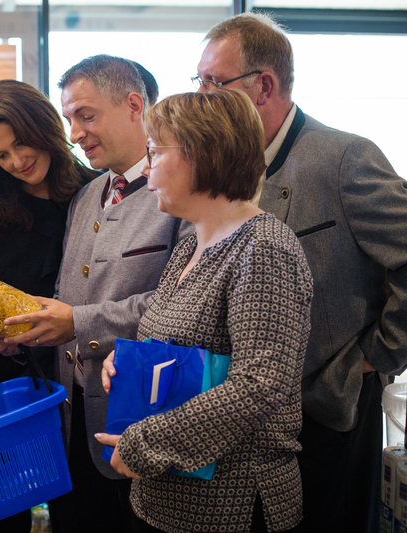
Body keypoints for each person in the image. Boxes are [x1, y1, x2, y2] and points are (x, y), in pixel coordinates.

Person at [195, 13, 407, 532]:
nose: (202, 96)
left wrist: (376, 356)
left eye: (212, 83)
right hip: (247, 421)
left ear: (263, 85)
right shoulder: (228, 163)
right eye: (197, 82)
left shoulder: (343, 158)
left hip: (325, 410)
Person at [0, 55, 189, 533]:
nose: (74, 133)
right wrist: (33, 332)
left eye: (86, 115)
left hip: (142, 420)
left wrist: (77, 322)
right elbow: (67, 293)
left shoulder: (183, 192)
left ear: (134, 105)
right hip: (71, 420)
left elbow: (179, 305)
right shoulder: (85, 196)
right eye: (70, 118)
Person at [99, 89, 313, 533]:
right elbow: (175, 342)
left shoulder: (264, 247)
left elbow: (259, 386)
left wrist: (145, 443)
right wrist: (126, 360)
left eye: (155, 152)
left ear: (202, 154)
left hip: (230, 506)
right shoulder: (192, 242)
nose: (148, 166)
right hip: (169, 498)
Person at [0, 79, 93, 533]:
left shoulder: (93, 193)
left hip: (73, 369)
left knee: (80, 508)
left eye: (20, 144)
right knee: (2, 513)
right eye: (0, 156)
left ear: (45, 126)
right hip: (0, 374)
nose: (16, 161)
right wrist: (1, 333)